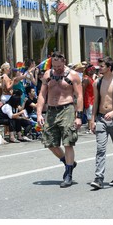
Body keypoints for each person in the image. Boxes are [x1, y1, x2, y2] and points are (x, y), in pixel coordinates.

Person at [36, 51, 83, 188]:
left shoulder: (73, 75)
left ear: (64, 61)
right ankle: (68, 162)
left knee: (68, 142)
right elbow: (42, 95)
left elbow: (79, 96)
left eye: (59, 66)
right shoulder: (48, 75)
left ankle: (68, 174)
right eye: (54, 66)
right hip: (51, 110)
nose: (56, 69)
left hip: (67, 109)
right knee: (49, 142)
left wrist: (78, 116)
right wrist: (39, 114)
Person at [90, 56, 113, 190]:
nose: (100, 68)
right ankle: (99, 178)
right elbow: (95, 102)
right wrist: (92, 120)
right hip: (101, 119)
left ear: (109, 67)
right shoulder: (97, 83)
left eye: (102, 66)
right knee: (100, 149)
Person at [82, 64, 95, 133]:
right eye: (91, 70)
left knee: (91, 114)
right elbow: (83, 90)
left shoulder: (91, 78)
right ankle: (90, 128)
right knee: (89, 114)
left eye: (93, 70)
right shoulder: (86, 79)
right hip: (88, 100)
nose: (93, 71)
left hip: (92, 99)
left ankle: (91, 127)